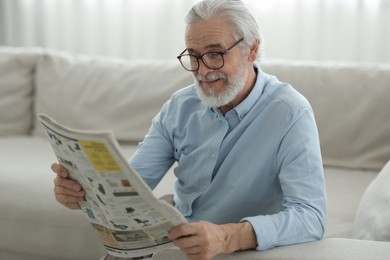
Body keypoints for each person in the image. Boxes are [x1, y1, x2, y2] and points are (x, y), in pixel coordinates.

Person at [51, 0, 327, 259]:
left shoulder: (291, 112)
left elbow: (311, 215)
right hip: (181, 229)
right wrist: (82, 191)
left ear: (251, 49)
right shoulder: (180, 106)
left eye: (215, 54)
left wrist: (228, 236)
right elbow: (132, 185)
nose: (203, 71)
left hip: (240, 244)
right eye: (193, 57)